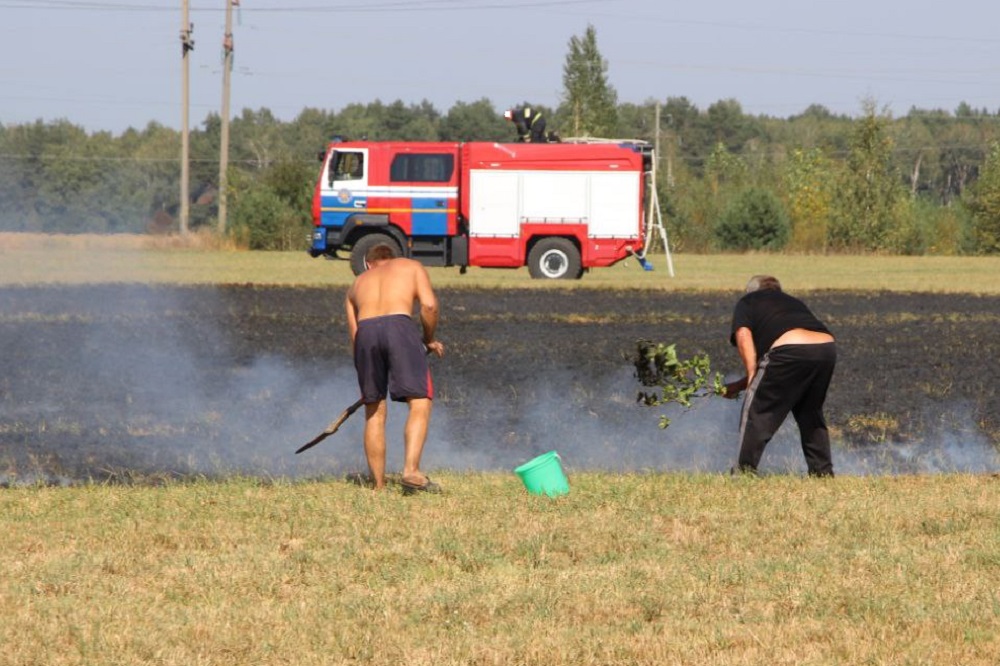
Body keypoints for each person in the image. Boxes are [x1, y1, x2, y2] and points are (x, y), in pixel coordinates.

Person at [345, 242, 445, 493]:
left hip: (366, 333)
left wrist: (367, 380)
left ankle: (378, 486)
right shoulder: (411, 267)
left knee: (374, 410)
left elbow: (355, 338)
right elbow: (430, 306)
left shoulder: (356, 285)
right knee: (420, 400)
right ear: (393, 258)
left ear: (368, 264)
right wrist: (427, 339)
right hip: (399, 326)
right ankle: (411, 471)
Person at [723, 275, 836, 477]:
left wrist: (749, 375)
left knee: (756, 411)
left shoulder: (748, 301)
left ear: (751, 290)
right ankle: (822, 473)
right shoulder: (792, 302)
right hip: (825, 348)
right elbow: (769, 371)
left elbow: (743, 334)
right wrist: (738, 386)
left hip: (789, 348)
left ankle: (743, 472)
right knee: (810, 412)